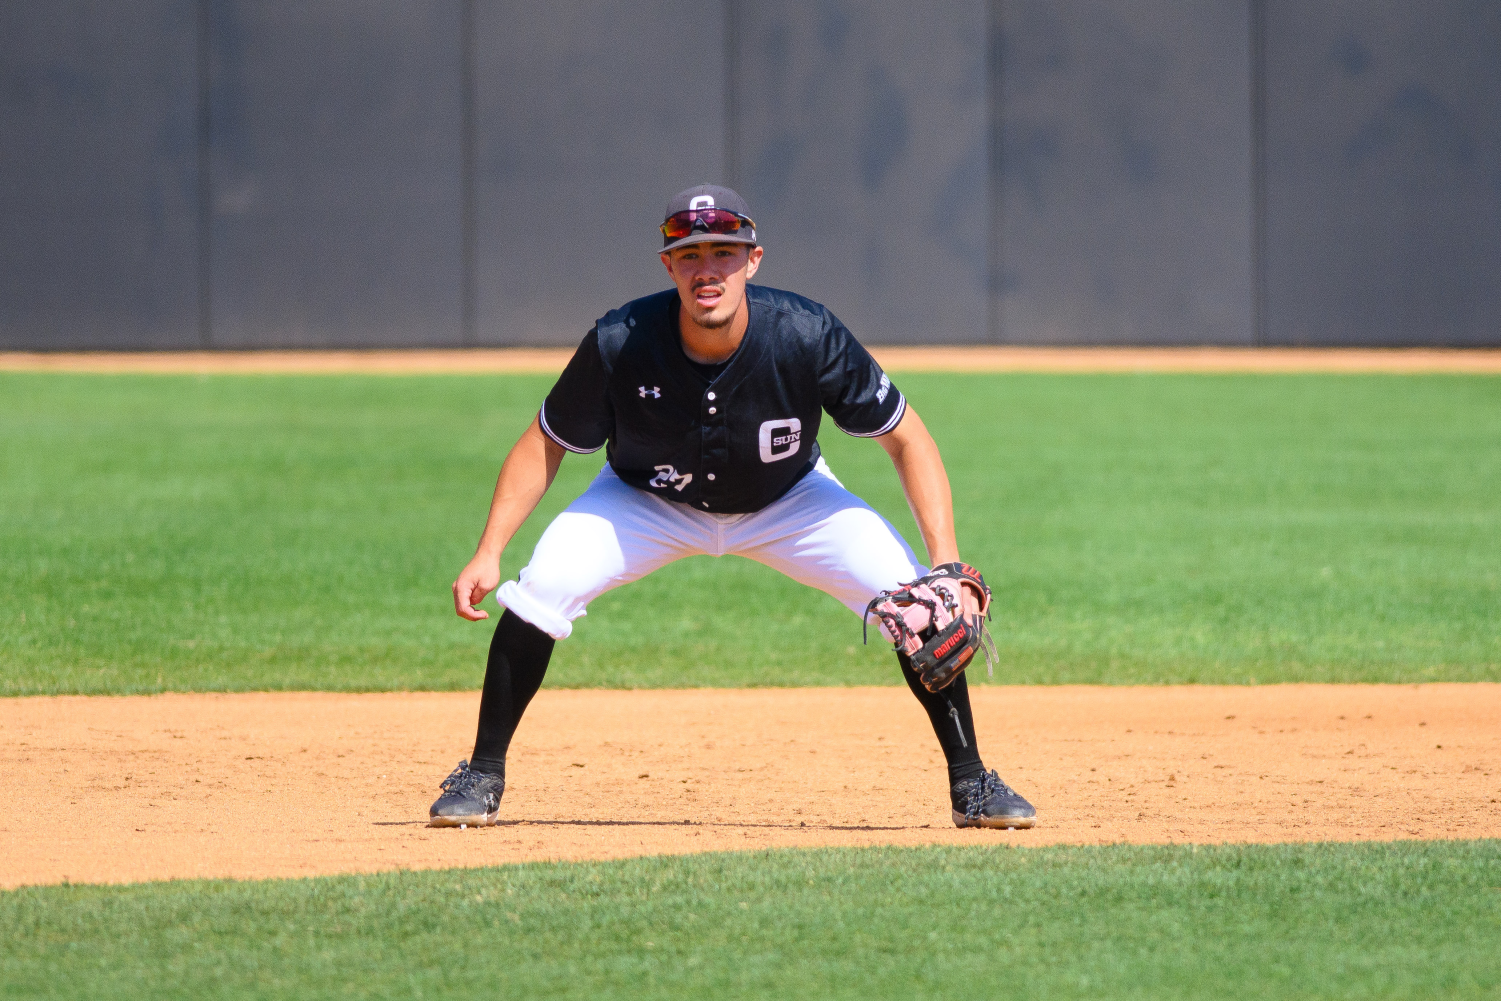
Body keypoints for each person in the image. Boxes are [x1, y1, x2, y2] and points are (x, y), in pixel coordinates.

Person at [430, 184, 1036, 831]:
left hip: (790, 499)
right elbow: (544, 441)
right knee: (542, 586)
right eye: (689, 254)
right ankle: (481, 773)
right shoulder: (619, 341)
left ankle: (971, 782)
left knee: (917, 604)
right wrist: (490, 548)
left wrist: (943, 563)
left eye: (723, 252)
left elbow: (906, 436)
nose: (706, 268)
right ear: (668, 265)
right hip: (645, 497)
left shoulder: (806, 334)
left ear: (753, 259)